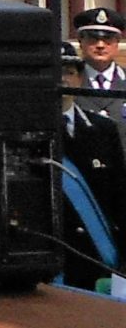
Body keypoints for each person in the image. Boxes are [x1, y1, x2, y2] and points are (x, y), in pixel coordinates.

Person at [58, 40, 126, 291]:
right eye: (55, 71)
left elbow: (120, 194)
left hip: (98, 258)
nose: (62, 79)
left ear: (79, 78)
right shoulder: (25, 130)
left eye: (69, 71)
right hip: (55, 259)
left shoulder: (102, 129)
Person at [76, 7, 124, 123]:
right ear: (81, 41)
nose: (100, 45)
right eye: (93, 38)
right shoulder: (70, 80)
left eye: (108, 38)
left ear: (117, 42)